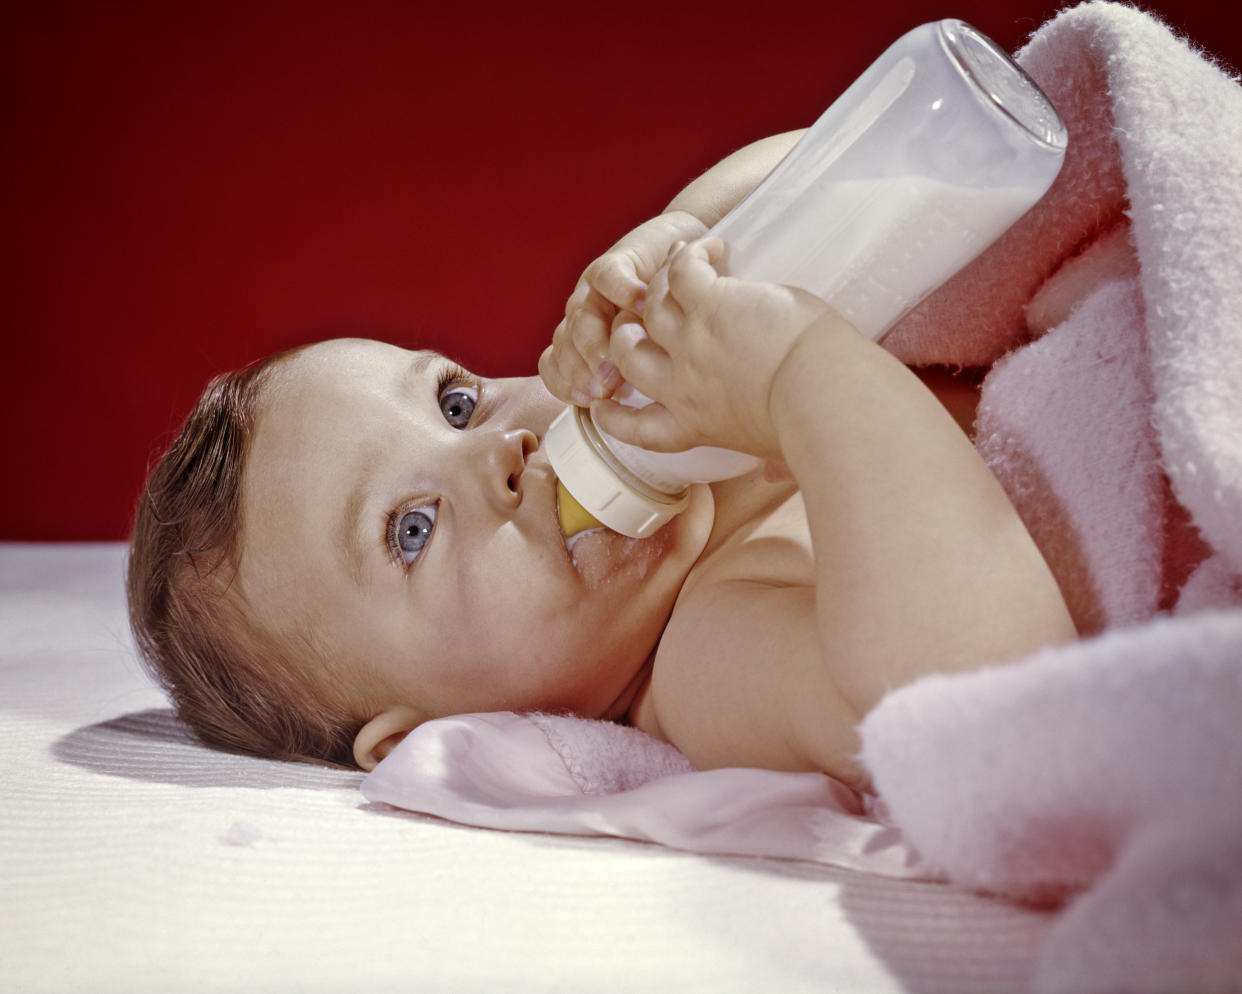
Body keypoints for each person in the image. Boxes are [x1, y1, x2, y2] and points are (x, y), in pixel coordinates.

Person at [127, 132, 1076, 786]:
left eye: (456, 401)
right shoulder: (710, 657)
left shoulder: (705, 406)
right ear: (429, 732)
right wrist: (800, 371)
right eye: (410, 530)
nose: (500, 448)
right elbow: (992, 710)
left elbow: (892, 172)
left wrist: (692, 234)